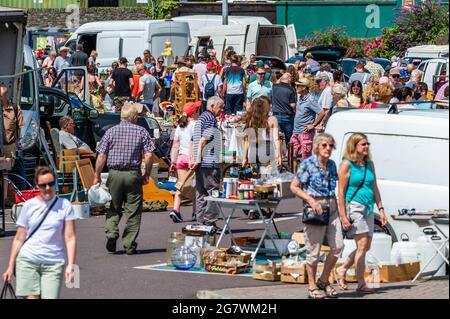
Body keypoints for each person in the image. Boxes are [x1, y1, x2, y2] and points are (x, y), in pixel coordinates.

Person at [2, 166, 77, 299]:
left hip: (53, 262)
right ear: (37, 186)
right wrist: (10, 266)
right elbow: (19, 238)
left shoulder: (65, 205)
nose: (47, 188)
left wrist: (71, 265)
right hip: (28, 260)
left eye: (51, 184)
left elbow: (70, 237)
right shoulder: (28, 206)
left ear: (55, 184)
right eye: (43, 185)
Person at [93, 104, 155, 255]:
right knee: (133, 211)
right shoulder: (141, 131)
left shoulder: (111, 131)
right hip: (133, 175)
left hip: (114, 174)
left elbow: (101, 156)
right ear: (134, 117)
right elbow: (148, 156)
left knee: (114, 207)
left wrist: (96, 175)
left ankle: (112, 233)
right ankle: (129, 244)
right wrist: (146, 174)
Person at [290, 133, 343, 299]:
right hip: (315, 208)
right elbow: (294, 186)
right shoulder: (308, 164)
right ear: (317, 147)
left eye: (330, 146)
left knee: (338, 246)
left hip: (332, 206)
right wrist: (311, 200)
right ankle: (312, 286)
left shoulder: (333, 165)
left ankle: (324, 279)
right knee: (314, 250)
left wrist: (343, 210)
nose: (328, 148)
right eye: (324, 145)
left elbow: (338, 187)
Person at [336, 133, 387, 293]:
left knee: (365, 246)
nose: (366, 147)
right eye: (363, 144)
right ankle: (361, 283)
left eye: (367, 144)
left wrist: (381, 209)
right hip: (355, 206)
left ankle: (342, 269)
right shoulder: (346, 165)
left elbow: (375, 187)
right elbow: (341, 192)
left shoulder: (369, 164)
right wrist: (343, 215)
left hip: (369, 207)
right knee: (362, 244)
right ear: (354, 146)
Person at [190, 96, 225, 233]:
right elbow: (203, 140)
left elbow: (194, 140)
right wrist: (198, 159)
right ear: (212, 106)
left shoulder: (201, 118)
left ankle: (200, 221)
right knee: (213, 192)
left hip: (201, 162)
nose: (221, 110)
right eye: (220, 107)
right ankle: (210, 222)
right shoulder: (210, 119)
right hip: (209, 162)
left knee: (200, 192)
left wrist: (193, 158)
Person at [169, 101, 201, 223]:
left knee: (181, 185)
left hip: (181, 158)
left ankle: (176, 210)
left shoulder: (180, 126)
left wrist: (173, 161)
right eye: (197, 110)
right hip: (191, 158)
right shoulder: (196, 124)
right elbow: (196, 142)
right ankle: (195, 212)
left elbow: (175, 144)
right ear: (194, 113)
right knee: (195, 186)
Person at [290, 78, 325, 169]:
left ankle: (306, 178)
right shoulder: (300, 98)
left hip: (305, 133)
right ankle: (294, 176)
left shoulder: (310, 100)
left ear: (304, 88)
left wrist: (313, 125)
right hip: (296, 131)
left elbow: (321, 113)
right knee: (291, 155)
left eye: (298, 86)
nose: (296, 87)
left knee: (306, 157)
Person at [242, 97, 283, 169]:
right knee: (267, 176)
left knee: (255, 176)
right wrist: (279, 156)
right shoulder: (272, 119)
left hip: (253, 150)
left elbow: (247, 141)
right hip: (266, 149)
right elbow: (276, 139)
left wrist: (244, 157)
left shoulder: (251, 120)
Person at [271, 72, 297, 144]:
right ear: (289, 79)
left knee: (276, 137)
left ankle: (277, 153)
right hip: (287, 117)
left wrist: (282, 77)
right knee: (289, 139)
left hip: (275, 116)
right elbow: (293, 105)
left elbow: (277, 81)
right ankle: (289, 153)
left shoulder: (274, 87)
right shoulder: (291, 89)